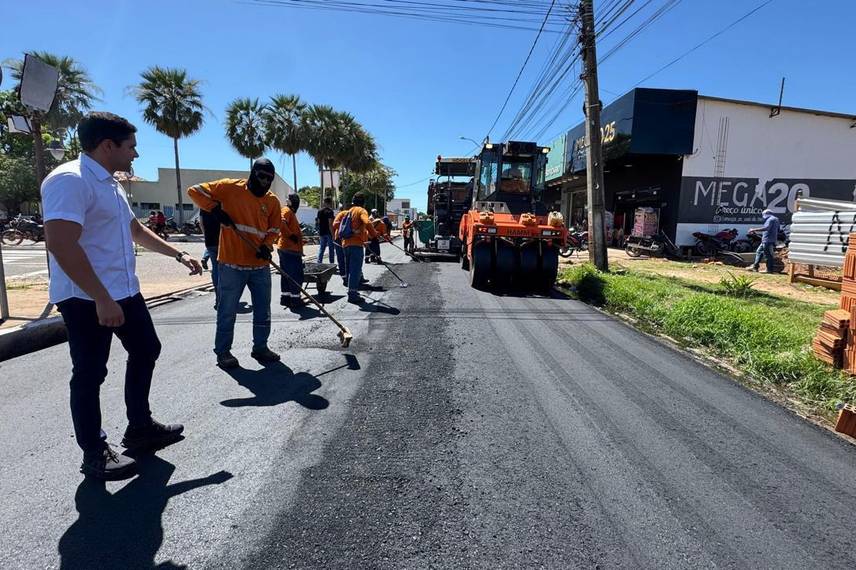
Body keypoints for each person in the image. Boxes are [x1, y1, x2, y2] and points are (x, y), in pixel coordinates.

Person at [42, 112, 203, 480]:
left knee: (147, 348)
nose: (136, 154)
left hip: (123, 291)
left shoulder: (112, 184)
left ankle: (140, 427)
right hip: (86, 297)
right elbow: (61, 243)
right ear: (107, 146)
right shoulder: (69, 180)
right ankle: (94, 452)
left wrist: (178, 254)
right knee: (89, 373)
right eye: (131, 147)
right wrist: (101, 298)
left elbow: (135, 229)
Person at [188, 158, 282, 369]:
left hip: (259, 266)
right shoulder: (230, 188)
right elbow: (193, 191)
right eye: (262, 177)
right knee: (227, 310)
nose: (266, 182)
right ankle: (223, 352)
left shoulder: (272, 201)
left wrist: (267, 245)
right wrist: (214, 209)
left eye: (270, 179)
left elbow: (274, 229)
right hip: (231, 265)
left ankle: (260, 347)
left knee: (263, 309)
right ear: (252, 173)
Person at [337, 192, 377, 304]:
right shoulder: (361, 211)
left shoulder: (348, 211)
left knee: (350, 270)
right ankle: (353, 295)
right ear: (363, 202)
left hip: (346, 244)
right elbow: (367, 221)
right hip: (356, 245)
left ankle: (351, 291)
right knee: (355, 270)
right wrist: (374, 234)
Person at [277, 194, 305, 308]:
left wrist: (298, 239)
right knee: (296, 275)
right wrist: (291, 236)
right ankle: (295, 299)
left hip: (287, 248)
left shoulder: (290, 212)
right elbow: (281, 223)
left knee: (286, 275)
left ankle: (286, 298)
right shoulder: (286, 210)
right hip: (289, 249)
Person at [199, 208, 221, 307]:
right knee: (227, 270)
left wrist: (206, 236)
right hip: (223, 241)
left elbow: (201, 223)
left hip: (210, 242)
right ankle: (225, 298)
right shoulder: (223, 201)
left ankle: (218, 298)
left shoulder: (203, 204)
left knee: (215, 268)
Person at [749, 209, 780, 273]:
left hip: (768, 240)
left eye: (763, 214)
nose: (763, 216)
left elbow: (767, 228)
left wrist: (754, 229)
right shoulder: (776, 219)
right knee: (759, 252)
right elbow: (777, 229)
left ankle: (769, 270)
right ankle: (755, 267)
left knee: (768, 255)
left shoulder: (770, 219)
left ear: (766, 214)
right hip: (767, 240)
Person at [316, 197, 335, 264]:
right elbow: (330, 224)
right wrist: (333, 235)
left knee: (322, 248)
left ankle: (319, 262)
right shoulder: (330, 211)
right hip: (329, 233)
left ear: (324, 202)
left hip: (322, 232)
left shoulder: (319, 211)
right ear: (330, 203)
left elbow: (318, 222)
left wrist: (319, 231)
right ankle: (332, 263)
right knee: (331, 249)